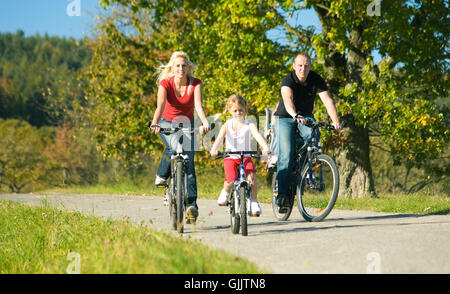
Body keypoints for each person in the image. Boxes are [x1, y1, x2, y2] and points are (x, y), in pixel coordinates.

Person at [274, 53, 342, 211]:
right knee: (286, 154)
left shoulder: (316, 79)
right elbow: (287, 100)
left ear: (310, 67)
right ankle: (282, 196)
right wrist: (295, 115)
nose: (303, 69)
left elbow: (327, 100)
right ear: (294, 66)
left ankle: (305, 169)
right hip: (285, 117)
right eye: (299, 65)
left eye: (306, 66)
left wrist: (336, 122)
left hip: (305, 116)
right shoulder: (288, 80)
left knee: (314, 136)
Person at [150, 51, 210, 222]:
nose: (181, 68)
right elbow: (160, 105)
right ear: (172, 67)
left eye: (184, 65)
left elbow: (198, 105)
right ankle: (162, 174)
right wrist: (155, 123)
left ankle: (192, 206)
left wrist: (204, 122)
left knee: (189, 165)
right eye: (177, 65)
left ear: (188, 67)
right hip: (166, 122)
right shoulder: (165, 83)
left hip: (187, 123)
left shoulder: (195, 84)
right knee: (172, 146)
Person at [210, 94, 270, 216]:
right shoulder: (227, 125)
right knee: (230, 180)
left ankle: (253, 201)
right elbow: (220, 137)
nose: (238, 113)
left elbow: (257, 136)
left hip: (245, 156)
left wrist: (265, 147)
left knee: (252, 177)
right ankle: (226, 192)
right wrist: (214, 149)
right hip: (230, 157)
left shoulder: (249, 124)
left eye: (241, 110)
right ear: (230, 110)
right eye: (235, 110)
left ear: (245, 110)